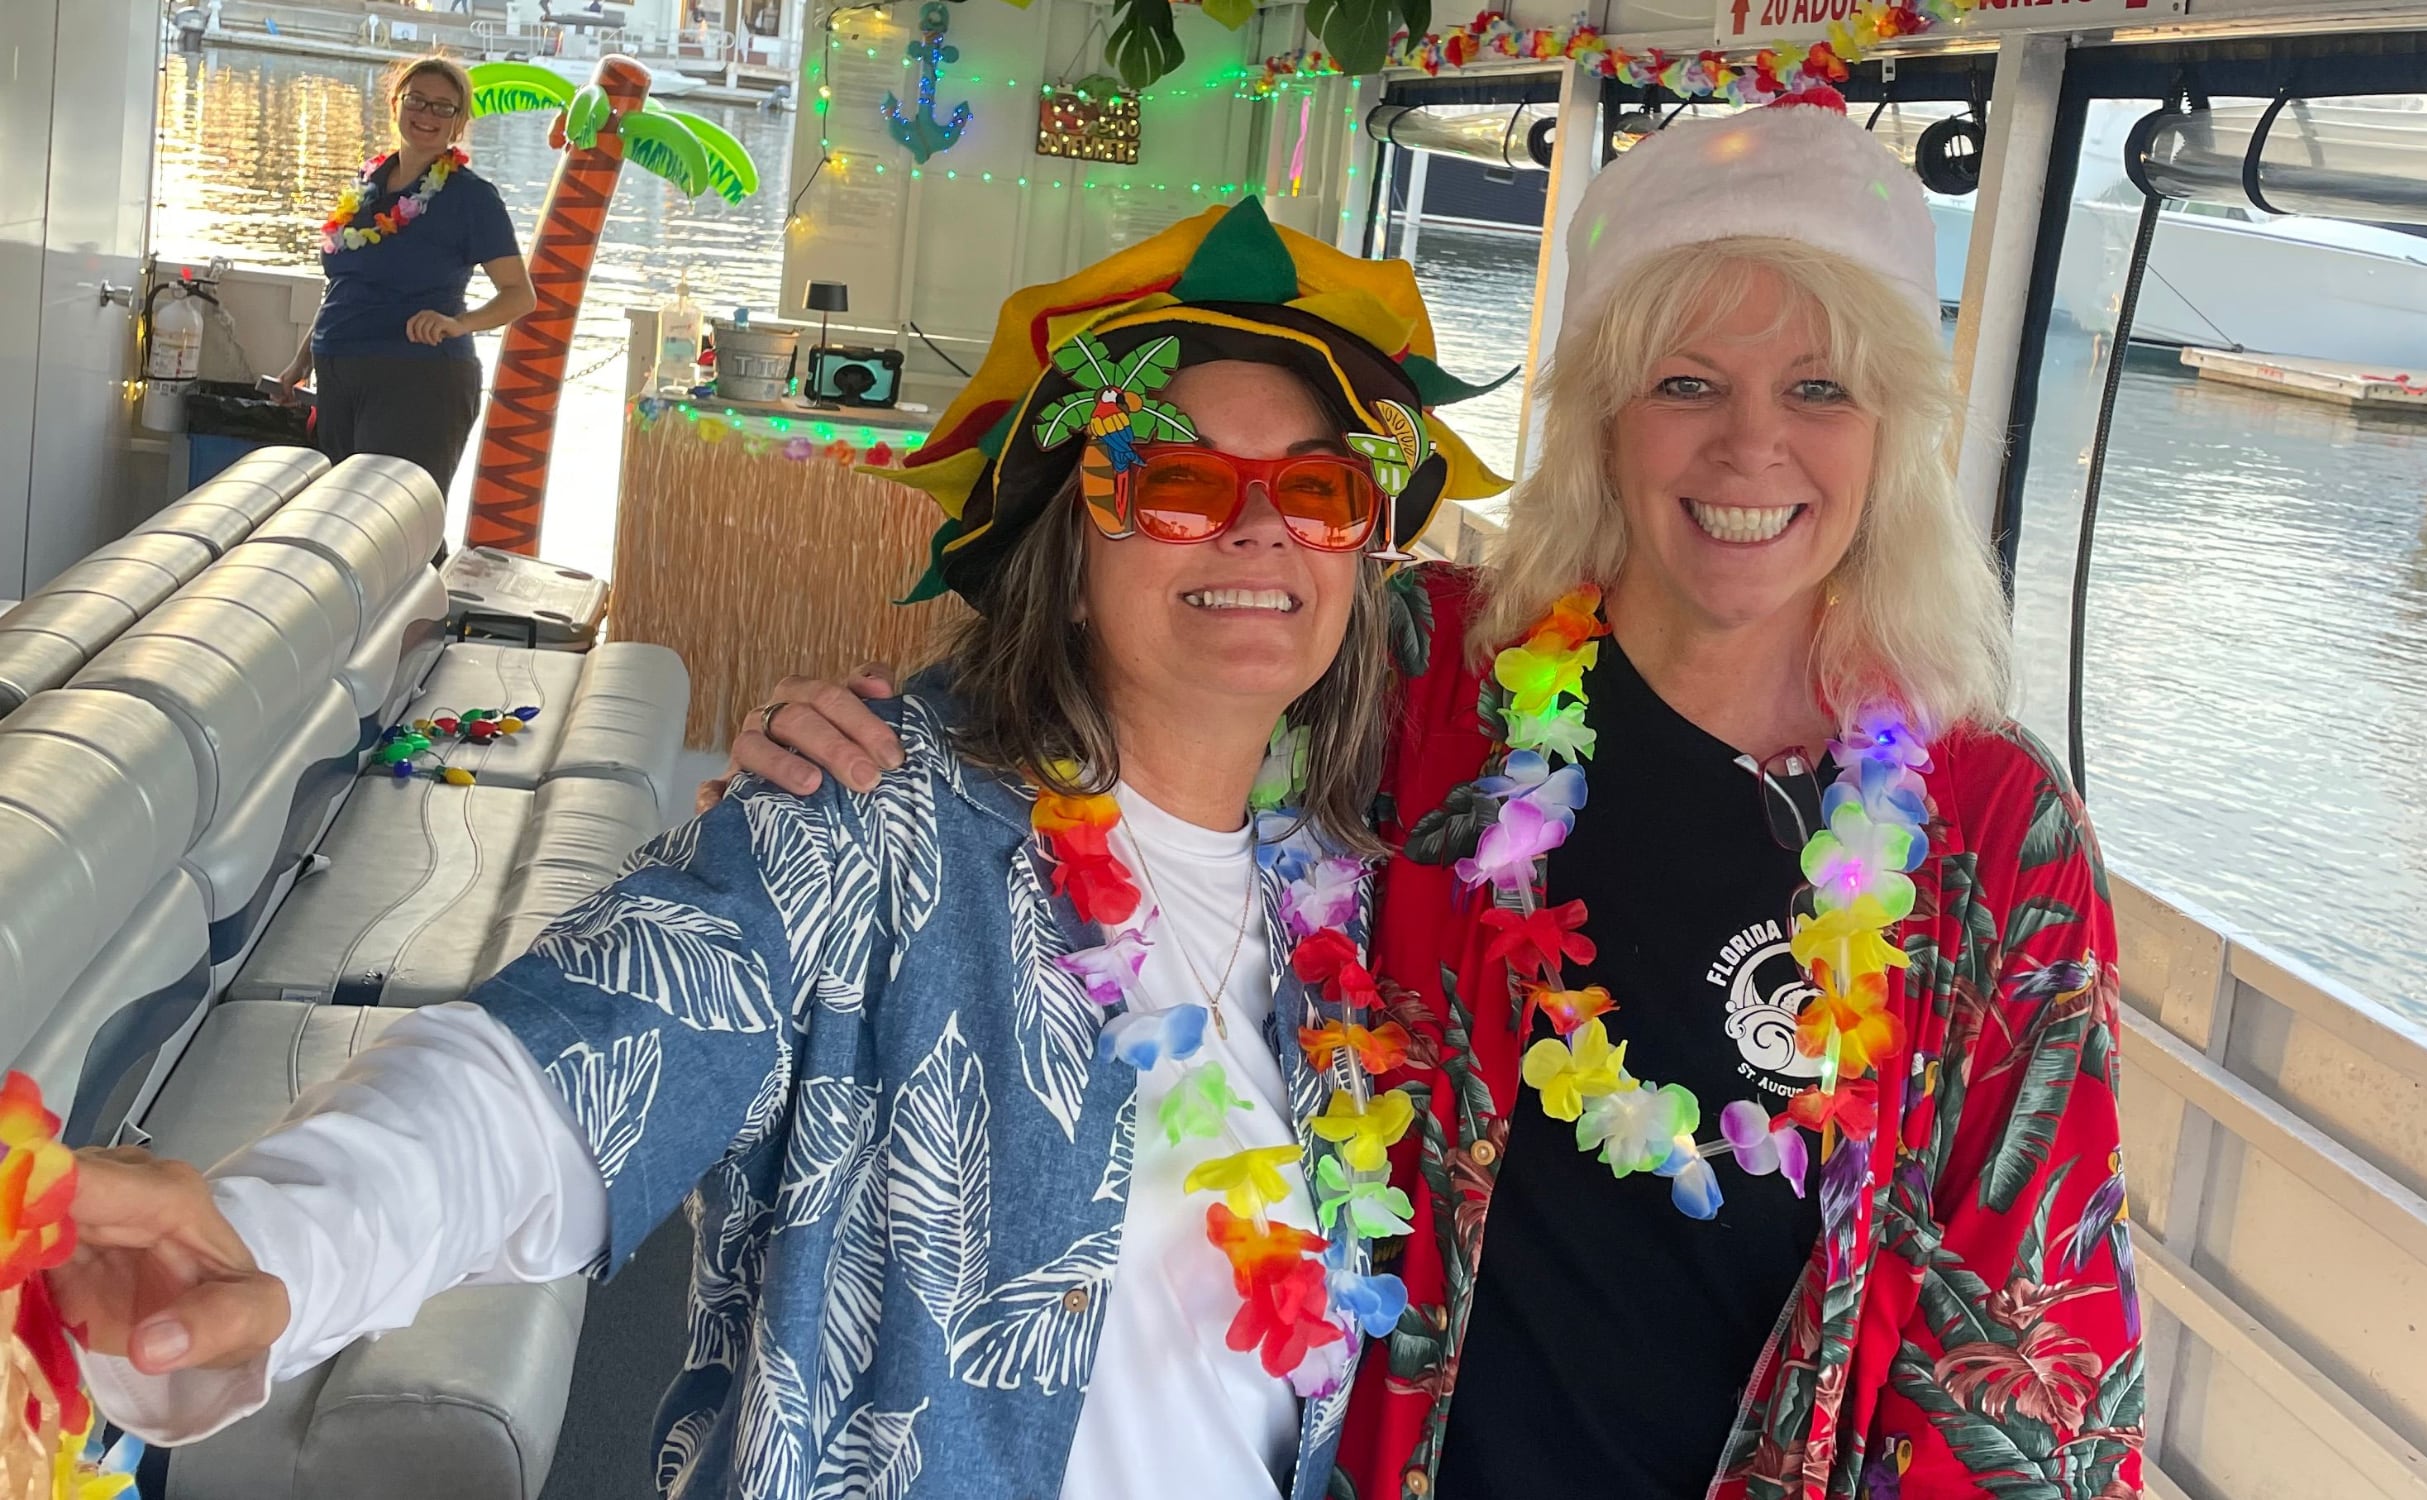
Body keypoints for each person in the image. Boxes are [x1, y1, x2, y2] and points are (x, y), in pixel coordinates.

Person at [714, 101, 2144, 1499]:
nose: (1750, 448)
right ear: (1602, 419)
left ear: (1895, 433)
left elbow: (2035, 1344)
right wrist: (879, 739)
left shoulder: (1993, 831)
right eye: (1686, 383)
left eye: (1819, 388)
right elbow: (1123, 694)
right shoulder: (1411, 675)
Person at [55, 200, 1507, 1500]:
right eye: (1177, 482)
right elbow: (577, 1058)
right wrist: (281, 1237)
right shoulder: (876, 812)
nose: (1258, 529)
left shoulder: (1360, 913)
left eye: (1319, 490)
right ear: (1067, 550)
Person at [275, 58, 533, 499]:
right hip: (339, 373)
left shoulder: (471, 198)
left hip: (417, 380)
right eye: (417, 101)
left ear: (459, 123)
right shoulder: (367, 186)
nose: (427, 115)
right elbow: (346, 284)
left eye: (443, 108)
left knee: (395, 525)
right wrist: (302, 362)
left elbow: (519, 295)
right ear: (396, 105)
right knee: (340, 520)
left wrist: (458, 323)